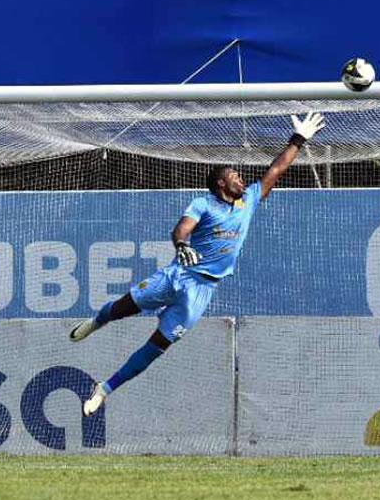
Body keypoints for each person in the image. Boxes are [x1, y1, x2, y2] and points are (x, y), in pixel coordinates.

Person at [70, 112, 325, 416]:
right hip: (178, 274)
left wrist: (299, 139)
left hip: (202, 290)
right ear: (221, 184)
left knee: (156, 348)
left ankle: (104, 389)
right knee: (123, 307)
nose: (241, 179)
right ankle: (96, 321)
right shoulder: (203, 203)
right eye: (235, 176)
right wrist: (181, 246)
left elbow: (277, 169)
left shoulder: (250, 201)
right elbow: (181, 229)